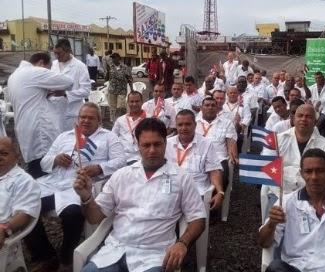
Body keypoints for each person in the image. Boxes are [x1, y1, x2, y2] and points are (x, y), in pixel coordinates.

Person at [74, 118, 206, 272]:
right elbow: (94, 217)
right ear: (138, 146)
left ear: (165, 143)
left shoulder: (181, 177)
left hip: (154, 256)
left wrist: (183, 243)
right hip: (113, 252)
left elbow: (198, 218)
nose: (152, 150)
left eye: (157, 144)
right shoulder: (121, 176)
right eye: (146, 145)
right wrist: (86, 197)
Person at [26, 103, 126, 271]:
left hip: (81, 185)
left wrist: (99, 168)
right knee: (25, 207)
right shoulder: (64, 136)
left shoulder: (108, 137)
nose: (86, 120)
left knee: (73, 214)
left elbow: (121, 161)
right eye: (82, 117)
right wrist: (56, 159)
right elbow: (44, 162)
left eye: (91, 117)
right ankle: (45, 255)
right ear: (78, 119)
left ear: (99, 120)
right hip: (54, 183)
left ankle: (67, 257)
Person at [7, 52, 73, 178]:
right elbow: (68, 82)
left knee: (34, 169)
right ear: (41, 63)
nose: (47, 72)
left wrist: (47, 91)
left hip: (24, 130)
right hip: (39, 133)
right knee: (45, 173)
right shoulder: (34, 72)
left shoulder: (14, 76)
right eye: (48, 69)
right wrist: (54, 89)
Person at [262, 104, 325, 210]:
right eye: (300, 115)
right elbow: (267, 168)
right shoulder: (276, 141)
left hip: (312, 199)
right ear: (293, 118)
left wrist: (310, 191)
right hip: (279, 195)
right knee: (273, 225)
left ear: (315, 121)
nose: (304, 119)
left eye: (308, 116)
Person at [166, 110, 224, 209]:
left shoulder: (206, 144)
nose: (184, 128)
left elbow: (214, 170)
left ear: (195, 125)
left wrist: (220, 192)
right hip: (171, 190)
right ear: (176, 126)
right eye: (180, 125)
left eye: (188, 124)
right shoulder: (167, 144)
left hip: (196, 191)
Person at [0, 137, 41, 265]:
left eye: (4, 153)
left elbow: (25, 214)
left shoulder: (24, 181)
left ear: (16, 156)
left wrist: (4, 229)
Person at [196, 97, 238, 188]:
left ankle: (216, 198)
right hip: (196, 158)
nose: (210, 107)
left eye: (213, 105)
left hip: (218, 159)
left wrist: (233, 155)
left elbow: (231, 143)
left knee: (220, 181)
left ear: (217, 108)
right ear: (201, 108)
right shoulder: (194, 123)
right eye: (207, 105)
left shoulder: (226, 123)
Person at [50, 38, 91, 131]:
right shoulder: (53, 65)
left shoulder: (80, 66)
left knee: (72, 142)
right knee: (57, 142)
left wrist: (65, 94)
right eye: (55, 53)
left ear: (68, 51)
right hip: (55, 112)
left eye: (59, 53)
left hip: (72, 113)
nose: (57, 56)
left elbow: (86, 91)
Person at [112, 91, 148, 165]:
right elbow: (112, 138)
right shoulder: (120, 120)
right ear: (128, 103)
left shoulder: (149, 119)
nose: (134, 104)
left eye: (137, 101)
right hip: (123, 158)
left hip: (142, 157)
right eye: (131, 101)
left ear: (142, 102)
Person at [106, 53, 133, 122]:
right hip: (112, 90)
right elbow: (106, 78)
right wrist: (107, 71)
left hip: (122, 90)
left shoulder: (124, 67)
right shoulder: (110, 67)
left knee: (120, 107)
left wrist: (132, 89)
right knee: (112, 108)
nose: (113, 59)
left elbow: (129, 78)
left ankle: (121, 121)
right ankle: (113, 121)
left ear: (118, 58)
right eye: (112, 58)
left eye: (114, 57)